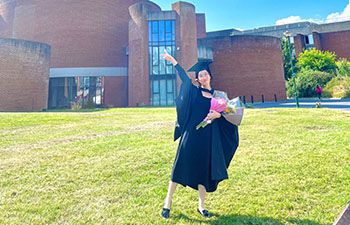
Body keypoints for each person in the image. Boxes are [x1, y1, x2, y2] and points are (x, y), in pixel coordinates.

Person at [160, 49, 239, 219]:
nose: (203, 77)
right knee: (179, 166)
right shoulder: (194, 92)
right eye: (200, 75)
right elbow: (184, 79)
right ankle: (168, 202)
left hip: (207, 138)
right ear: (198, 79)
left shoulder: (218, 96)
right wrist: (173, 61)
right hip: (191, 135)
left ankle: (201, 206)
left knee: (204, 171)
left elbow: (230, 114)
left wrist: (219, 115)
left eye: (205, 74)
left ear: (210, 76)